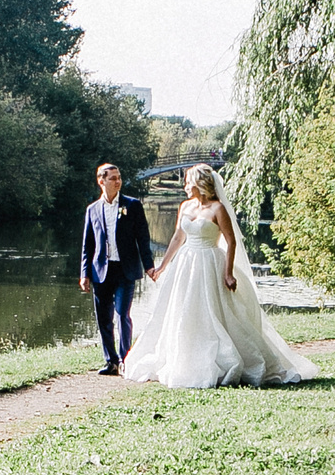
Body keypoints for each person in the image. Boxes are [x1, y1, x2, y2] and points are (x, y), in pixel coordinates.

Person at [123, 164, 317, 389]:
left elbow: (231, 241)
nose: (185, 187)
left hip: (209, 262)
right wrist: (163, 266)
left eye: (188, 183)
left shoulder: (217, 209)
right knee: (183, 310)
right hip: (186, 263)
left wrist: (228, 272)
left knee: (214, 312)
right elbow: (177, 237)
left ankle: (223, 359)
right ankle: (184, 355)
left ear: (199, 184)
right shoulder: (185, 206)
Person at [78, 161, 157, 376]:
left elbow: (143, 238)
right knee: (103, 317)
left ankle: (125, 359)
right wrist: (84, 273)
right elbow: (88, 245)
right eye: (113, 178)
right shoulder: (92, 210)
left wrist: (149, 266)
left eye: (119, 177)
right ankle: (110, 361)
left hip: (125, 269)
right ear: (101, 181)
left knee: (123, 314)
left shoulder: (132, 206)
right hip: (101, 270)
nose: (118, 181)